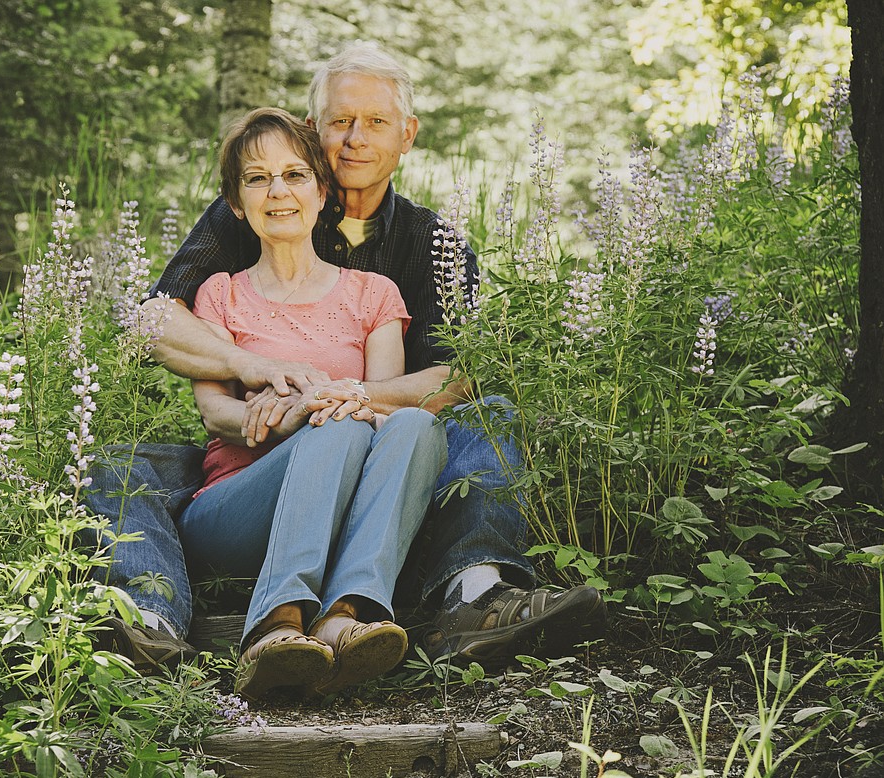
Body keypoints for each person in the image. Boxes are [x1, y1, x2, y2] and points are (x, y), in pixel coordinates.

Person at [83, 42, 605, 679]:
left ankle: (474, 593)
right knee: (120, 466)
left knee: (485, 419)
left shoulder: (431, 245)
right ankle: (152, 617)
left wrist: (341, 397)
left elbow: (459, 374)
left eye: (377, 122)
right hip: (252, 450)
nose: (355, 139)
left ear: (407, 135)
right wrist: (253, 368)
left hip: (389, 451)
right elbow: (152, 320)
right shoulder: (249, 212)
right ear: (313, 131)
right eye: (339, 121)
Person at [170, 107, 446, 698]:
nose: (278, 192)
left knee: (413, 427)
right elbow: (217, 414)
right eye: (257, 178)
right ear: (237, 206)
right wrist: (293, 415)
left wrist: (325, 402)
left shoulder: (375, 294)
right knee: (337, 425)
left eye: (295, 175)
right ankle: (273, 625)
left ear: (323, 193)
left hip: (341, 497)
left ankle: (347, 614)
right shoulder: (220, 294)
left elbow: (380, 411)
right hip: (235, 508)